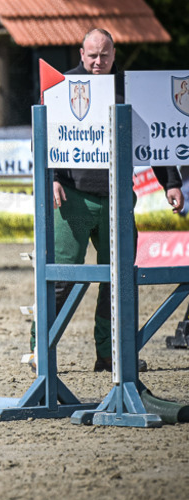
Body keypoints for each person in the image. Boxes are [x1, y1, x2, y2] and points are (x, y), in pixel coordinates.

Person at [49, 28, 184, 371]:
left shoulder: (130, 88)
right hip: (73, 198)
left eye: (104, 55)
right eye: (92, 55)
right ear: (81, 53)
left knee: (119, 280)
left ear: (114, 53)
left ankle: (111, 356)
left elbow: (151, 135)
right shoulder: (61, 86)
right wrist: (51, 178)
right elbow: (46, 136)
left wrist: (170, 181)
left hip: (118, 196)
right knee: (62, 279)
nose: (98, 62)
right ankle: (41, 350)